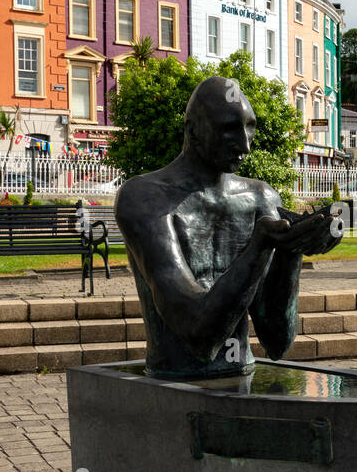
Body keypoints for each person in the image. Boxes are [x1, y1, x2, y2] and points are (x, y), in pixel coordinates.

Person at [115, 75, 338, 377]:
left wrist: (290, 250)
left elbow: (277, 342)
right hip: (176, 376)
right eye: (229, 129)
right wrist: (260, 246)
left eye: (250, 128)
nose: (245, 146)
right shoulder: (146, 199)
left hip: (241, 369)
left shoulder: (261, 198)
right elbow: (199, 337)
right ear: (192, 130)